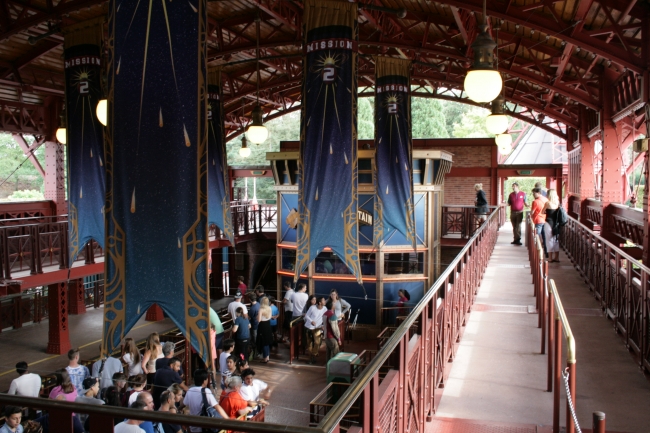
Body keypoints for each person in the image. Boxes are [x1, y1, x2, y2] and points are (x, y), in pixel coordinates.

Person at [184, 369, 228, 433]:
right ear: (204, 381)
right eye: (207, 379)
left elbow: (184, 404)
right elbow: (217, 407)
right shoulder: (206, 391)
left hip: (193, 426)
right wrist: (227, 419)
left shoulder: (190, 390)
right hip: (203, 427)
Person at [304, 296, 327, 364]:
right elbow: (307, 315)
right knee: (309, 344)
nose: (325, 301)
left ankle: (314, 354)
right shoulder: (312, 307)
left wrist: (323, 326)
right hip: (309, 327)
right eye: (323, 300)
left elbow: (325, 318)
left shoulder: (325, 308)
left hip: (318, 328)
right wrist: (311, 321)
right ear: (320, 303)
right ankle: (311, 358)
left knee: (317, 342)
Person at [543, 189, 561, 263]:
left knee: (549, 240)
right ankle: (556, 258)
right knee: (556, 240)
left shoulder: (547, 203)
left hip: (548, 223)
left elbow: (542, 211)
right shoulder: (558, 203)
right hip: (556, 224)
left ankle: (550, 258)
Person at [531, 187, 549, 257]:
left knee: (537, 237)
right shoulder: (546, 200)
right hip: (545, 220)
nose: (533, 194)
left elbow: (532, 212)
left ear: (538, 193)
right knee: (545, 237)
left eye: (534, 193)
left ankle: (537, 253)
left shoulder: (535, 202)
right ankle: (546, 252)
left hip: (538, 220)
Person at [256, 297, 273, 363]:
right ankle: (267, 356)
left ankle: (265, 358)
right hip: (268, 325)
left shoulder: (261, 309)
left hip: (262, 325)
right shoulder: (269, 308)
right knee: (267, 341)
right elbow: (270, 316)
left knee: (263, 342)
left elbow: (259, 320)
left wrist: (257, 317)